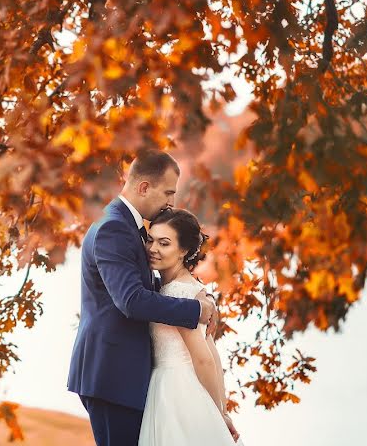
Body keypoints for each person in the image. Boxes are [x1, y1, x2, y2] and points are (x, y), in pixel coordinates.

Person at [67, 149, 218, 446]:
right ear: (145, 187)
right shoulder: (114, 228)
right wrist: (195, 310)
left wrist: (202, 298)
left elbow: (160, 286)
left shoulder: (128, 227)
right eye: (168, 192)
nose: (171, 202)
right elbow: (132, 300)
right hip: (112, 375)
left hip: (123, 377)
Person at [139, 207, 242, 445]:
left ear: (183, 251)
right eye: (151, 240)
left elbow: (205, 358)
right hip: (173, 386)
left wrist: (218, 413)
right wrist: (222, 409)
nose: (153, 249)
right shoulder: (180, 288)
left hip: (176, 392)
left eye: (164, 243)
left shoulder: (180, 292)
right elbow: (214, 355)